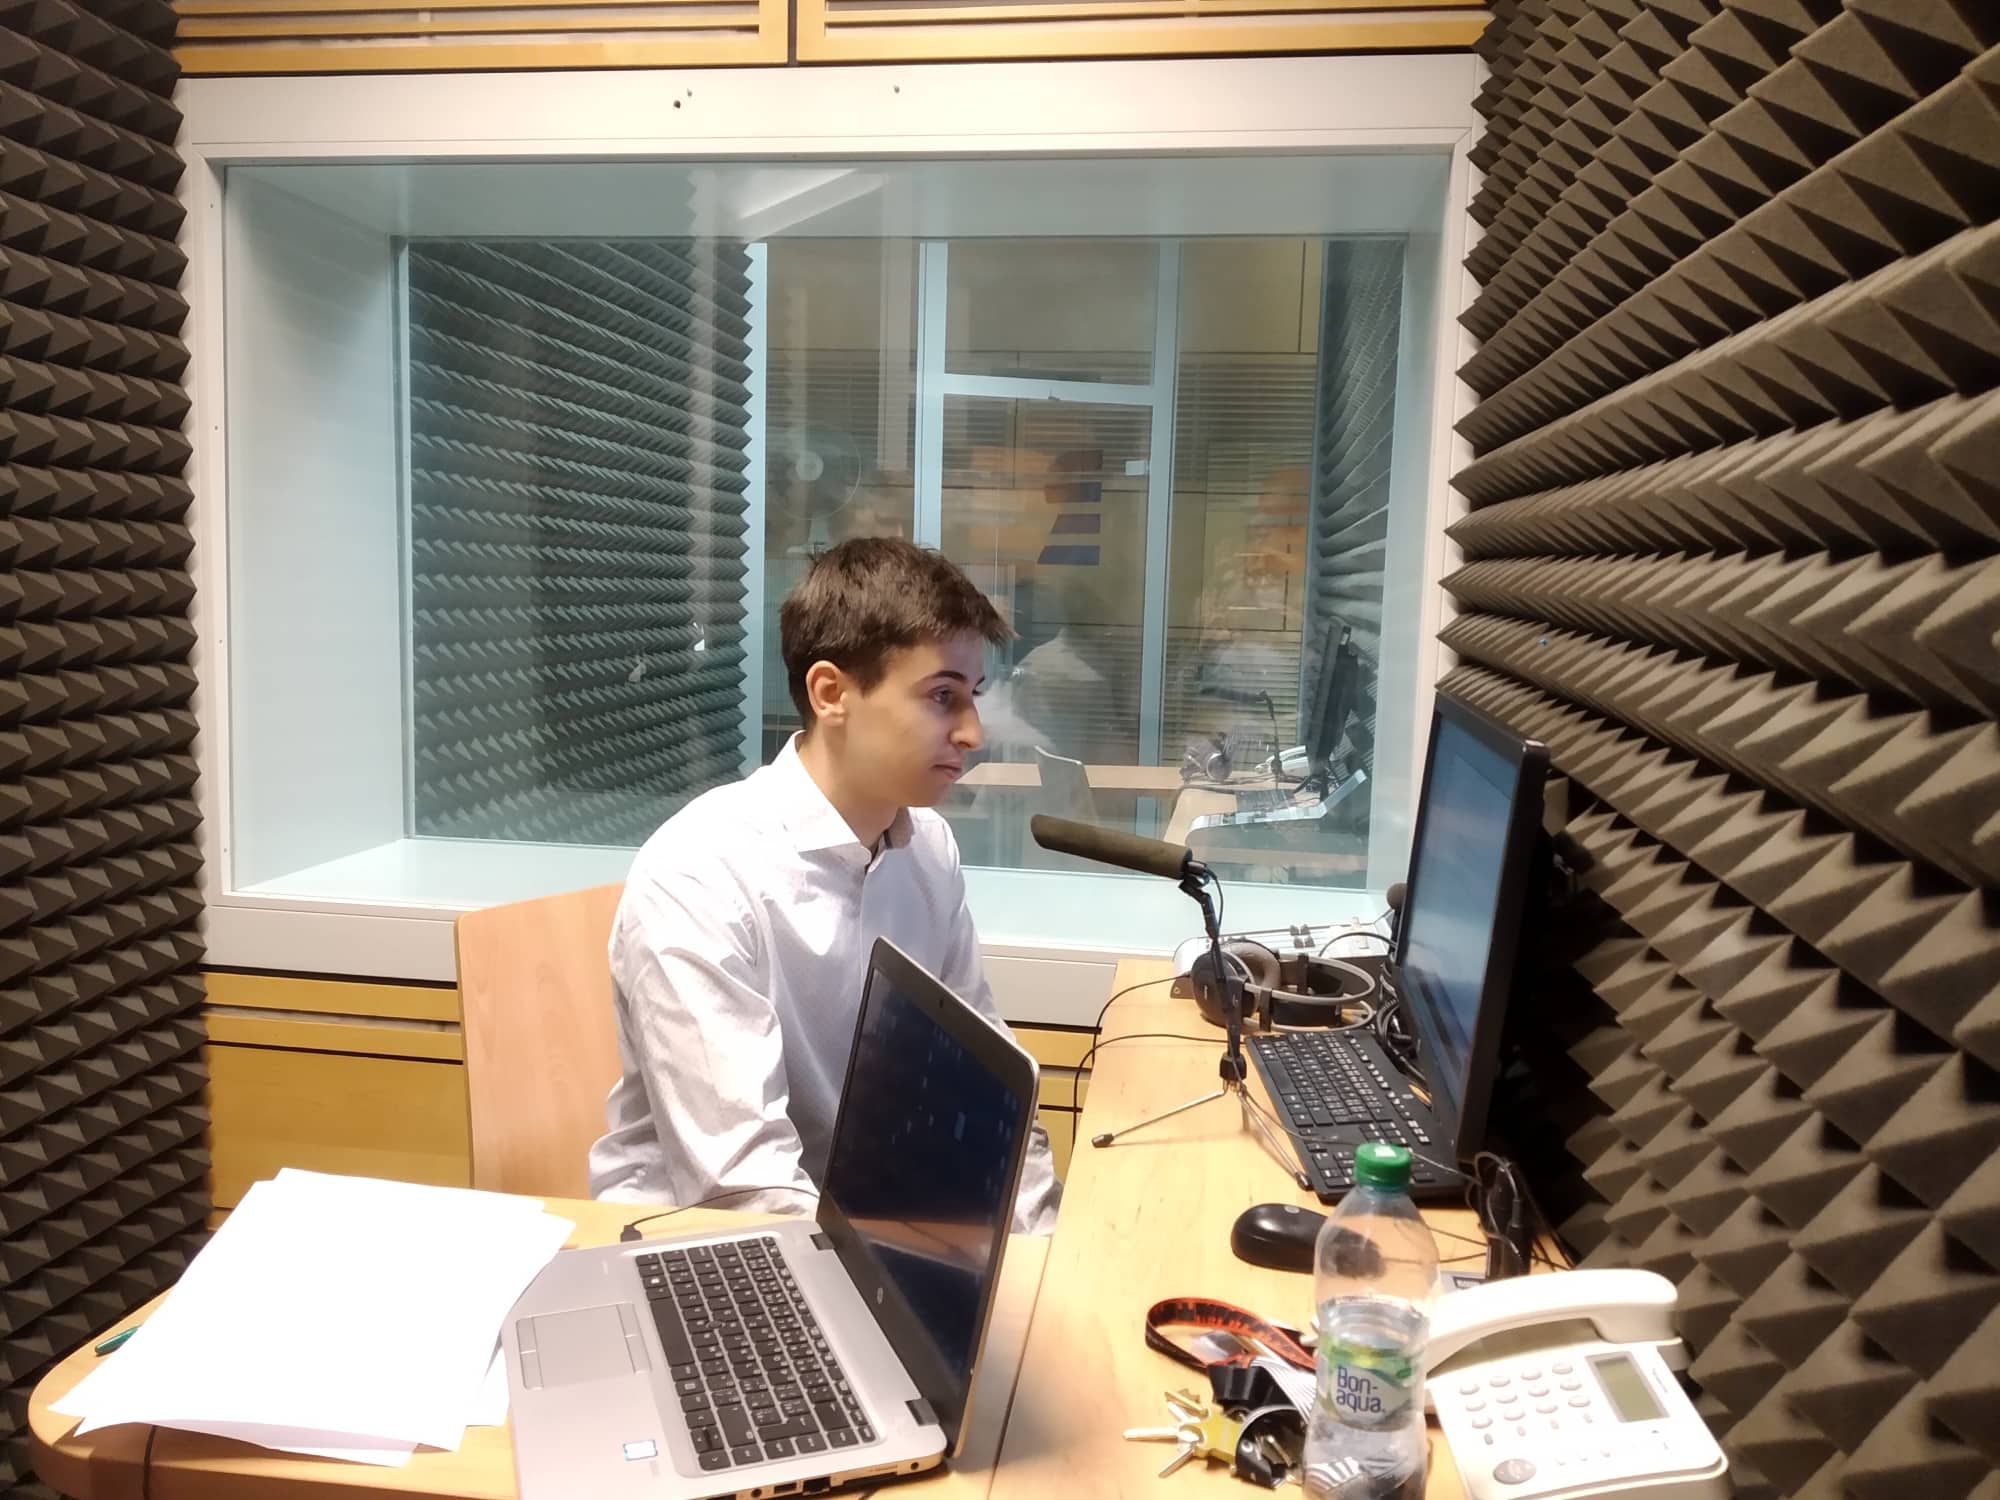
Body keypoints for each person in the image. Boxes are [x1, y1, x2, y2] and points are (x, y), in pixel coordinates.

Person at [588, 536, 1064, 1233]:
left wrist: (1043, 1243)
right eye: (942, 697)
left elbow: (988, 1086)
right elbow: (741, 1184)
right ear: (831, 693)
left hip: (863, 1220)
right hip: (698, 1238)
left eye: (973, 697)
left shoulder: (928, 849)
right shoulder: (701, 873)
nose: (971, 733)